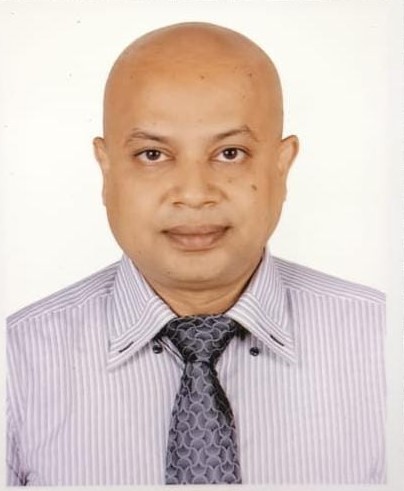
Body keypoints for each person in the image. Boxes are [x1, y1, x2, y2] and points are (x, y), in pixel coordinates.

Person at [6, 22, 385, 486]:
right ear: (106, 170)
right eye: (152, 155)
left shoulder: (384, 347)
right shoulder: (16, 366)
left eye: (230, 153)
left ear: (281, 165)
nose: (193, 193)